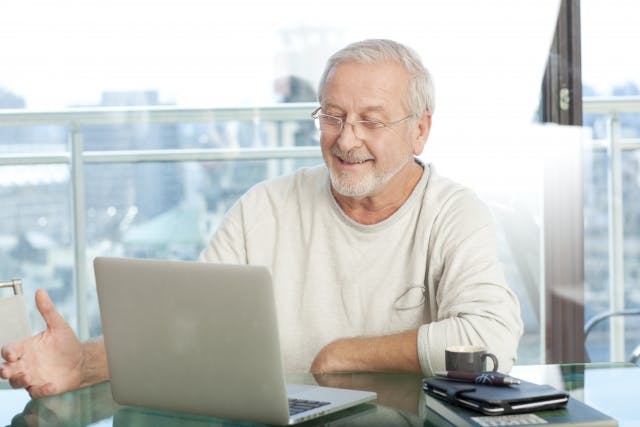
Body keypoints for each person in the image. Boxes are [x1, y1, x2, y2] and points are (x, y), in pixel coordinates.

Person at [1, 39, 522, 399]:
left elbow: (490, 338)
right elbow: (187, 329)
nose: (346, 139)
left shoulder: (453, 212)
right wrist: (82, 364)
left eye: (370, 120)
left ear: (420, 131)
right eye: (332, 116)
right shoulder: (264, 208)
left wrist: (346, 354)